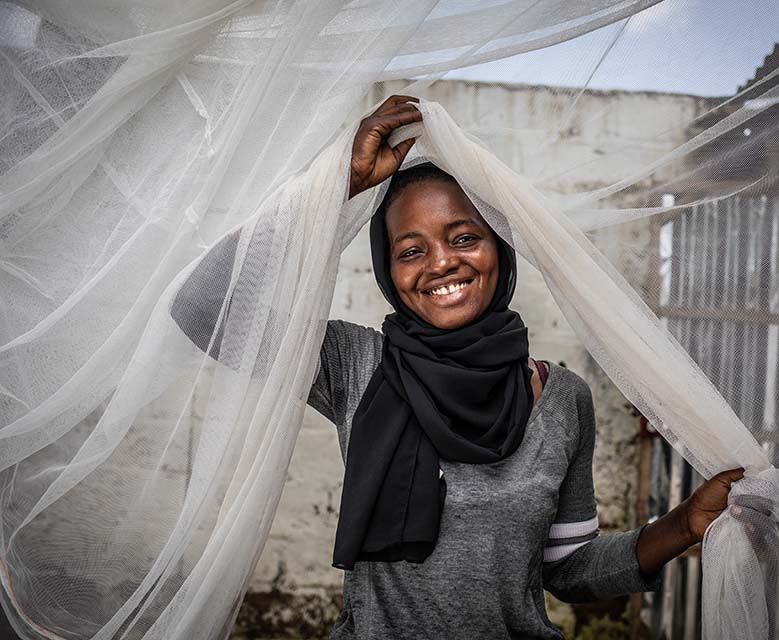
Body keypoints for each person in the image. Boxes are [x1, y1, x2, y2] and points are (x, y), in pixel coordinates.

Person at [171, 95, 744, 639]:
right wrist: (336, 187)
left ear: (499, 248)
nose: (442, 262)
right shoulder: (357, 365)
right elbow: (202, 305)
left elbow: (569, 568)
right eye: (411, 250)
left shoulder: (563, 399)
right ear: (387, 271)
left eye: (465, 237)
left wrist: (685, 526)